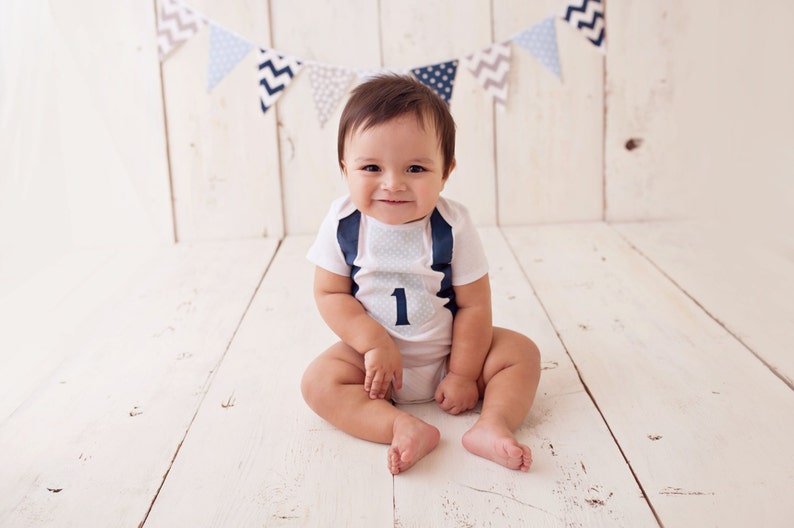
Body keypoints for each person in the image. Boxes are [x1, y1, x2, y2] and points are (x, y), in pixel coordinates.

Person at [301, 74, 541, 475]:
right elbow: (329, 294)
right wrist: (373, 343)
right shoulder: (343, 223)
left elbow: (474, 305)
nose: (392, 183)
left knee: (521, 354)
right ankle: (401, 425)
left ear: (445, 172)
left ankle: (492, 423)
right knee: (318, 383)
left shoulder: (452, 225)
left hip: (449, 353)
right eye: (372, 167)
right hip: (371, 366)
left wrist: (464, 372)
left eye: (415, 168)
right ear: (346, 168)